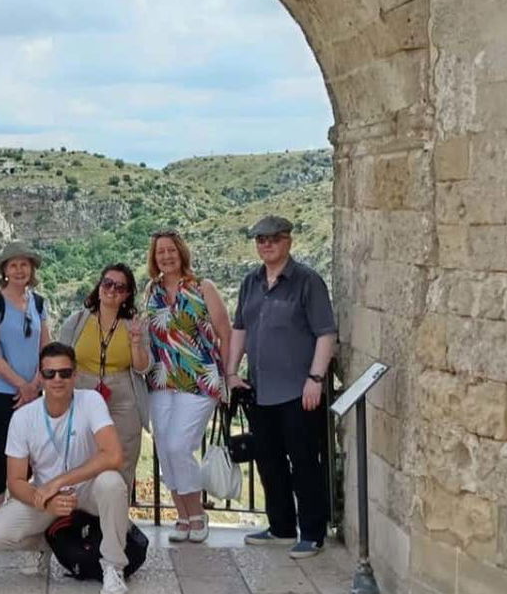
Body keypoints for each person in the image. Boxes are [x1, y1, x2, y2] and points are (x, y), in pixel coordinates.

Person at [0, 342, 132, 594]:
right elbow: (16, 481)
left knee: (111, 482)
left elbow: (114, 455)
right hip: (46, 495)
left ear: (75, 375)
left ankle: (113, 566)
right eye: (50, 374)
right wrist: (47, 500)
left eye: (64, 373)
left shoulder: (91, 401)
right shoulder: (23, 418)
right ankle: (44, 546)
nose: (57, 380)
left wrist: (60, 481)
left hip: (87, 488)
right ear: (40, 377)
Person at [225, 216, 337, 559]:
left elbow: (326, 333)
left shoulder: (307, 281)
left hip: (298, 391)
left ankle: (312, 532)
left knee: (304, 462)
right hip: (260, 390)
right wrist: (231, 372)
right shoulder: (250, 282)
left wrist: (315, 379)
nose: (266, 245)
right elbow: (240, 329)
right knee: (269, 462)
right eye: (261, 239)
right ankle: (281, 526)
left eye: (274, 239)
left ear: (288, 241)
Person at [143, 230, 231, 543]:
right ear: (154, 259)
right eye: (160, 252)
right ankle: (182, 515)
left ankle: (197, 513)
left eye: (171, 251)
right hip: (161, 380)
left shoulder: (202, 287)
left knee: (180, 445)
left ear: (181, 253)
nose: (166, 256)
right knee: (165, 450)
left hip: (198, 378)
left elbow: (225, 332)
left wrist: (229, 375)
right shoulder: (150, 291)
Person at [58, 264, 151, 491]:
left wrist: (137, 344)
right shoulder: (77, 321)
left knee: (123, 458)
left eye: (120, 287)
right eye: (107, 283)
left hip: (123, 398)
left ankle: (116, 518)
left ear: (127, 295)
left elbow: (143, 367)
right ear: (99, 287)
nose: (112, 290)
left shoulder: (134, 326)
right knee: (80, 456)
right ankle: (81, 519)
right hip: (82, 394)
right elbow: (61, 359)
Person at [0, 241, 51, 511]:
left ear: (32, 269)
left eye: (24, 264)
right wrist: (24, 386)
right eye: (13, 265)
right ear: (4, 270)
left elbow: (47, 350)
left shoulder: (40, 304)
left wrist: (35, 385)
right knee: (0, 454)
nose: (19, 270)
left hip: (33, 393)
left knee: (31, 455)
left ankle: (20, 509)